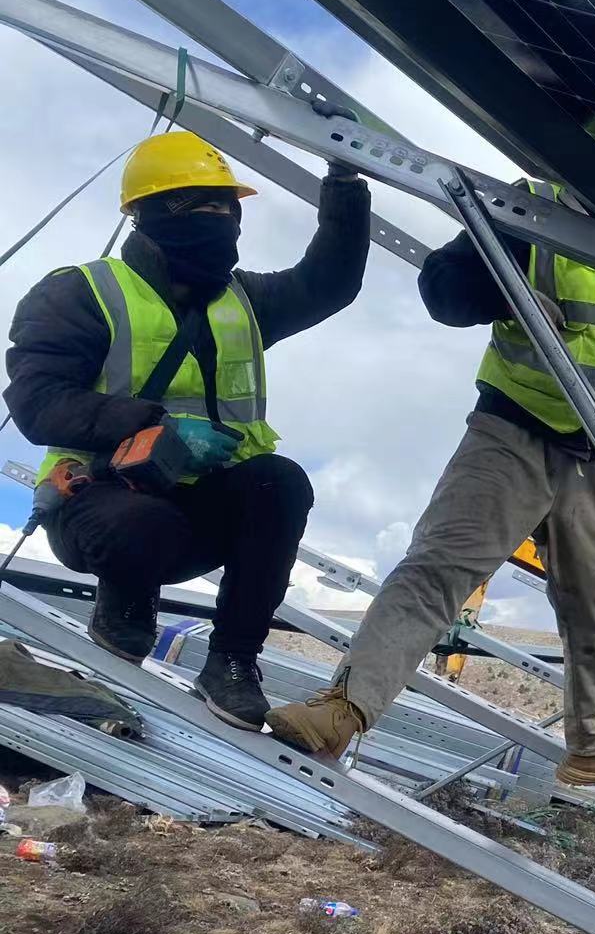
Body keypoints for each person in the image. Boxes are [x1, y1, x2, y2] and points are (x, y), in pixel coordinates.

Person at [267, 179, 595, 789]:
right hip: (514, 427)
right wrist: (511, 295)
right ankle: (343, 710)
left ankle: (593, 744)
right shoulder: (533, 208)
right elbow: (443, 288)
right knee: (439, 569)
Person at [4, 131, 371, 731]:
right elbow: (37, 403)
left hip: (205, 514)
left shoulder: (245, 300)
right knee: (141, 523)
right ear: (152, 213)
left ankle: (232, 662)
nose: (222, 220)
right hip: (99, 503)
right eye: (204, 206)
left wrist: (346, 183)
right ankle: (125, 605)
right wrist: (156, 426)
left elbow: (327, 282)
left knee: (280, 482)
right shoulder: (82, 293)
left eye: (229, 207)